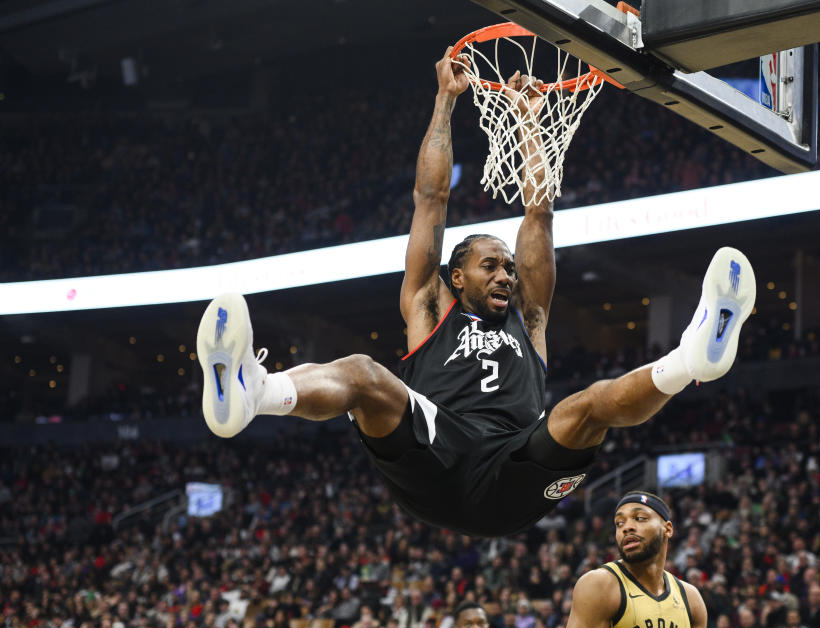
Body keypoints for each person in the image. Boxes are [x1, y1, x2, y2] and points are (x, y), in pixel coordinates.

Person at [196, 49, 756, 537]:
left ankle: (693, 357)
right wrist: (445, 101)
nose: (507, 276)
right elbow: (429, 199)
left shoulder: (528, 319)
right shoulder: (428, 306)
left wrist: (530, 123)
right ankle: (254, 394)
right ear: (455, 278)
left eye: (510, 267)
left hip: (514, 466)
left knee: (588, 405)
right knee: (365, 373)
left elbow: (539, 210)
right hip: (436, 454)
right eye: (491, 266)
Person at [566, 492, 708, 628]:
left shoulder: (691, 599)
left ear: (668, 529)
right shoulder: (599, 585)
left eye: (640, 518)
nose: (626, 528)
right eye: (619, 523)